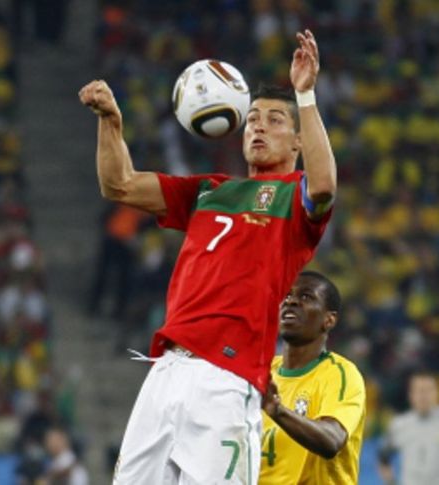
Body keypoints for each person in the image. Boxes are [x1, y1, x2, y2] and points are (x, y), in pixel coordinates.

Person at [79, 28, 336, 485]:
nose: (259, 125)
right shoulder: (209, 191)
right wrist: (110, 120)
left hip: (228, 378)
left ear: (298, 144)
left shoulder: (294, 200)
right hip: (166, 370)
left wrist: (305, 95)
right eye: (253, 118)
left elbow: (324, 186)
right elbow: (117, 183)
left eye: (276, 120)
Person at [260, 271, 366, 485]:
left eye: (306, 297)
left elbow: (332, 441)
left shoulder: (340, 374)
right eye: (287, 296)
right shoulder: (262, 370)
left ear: (329, 320)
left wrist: (277, 411)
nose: (291, 302)